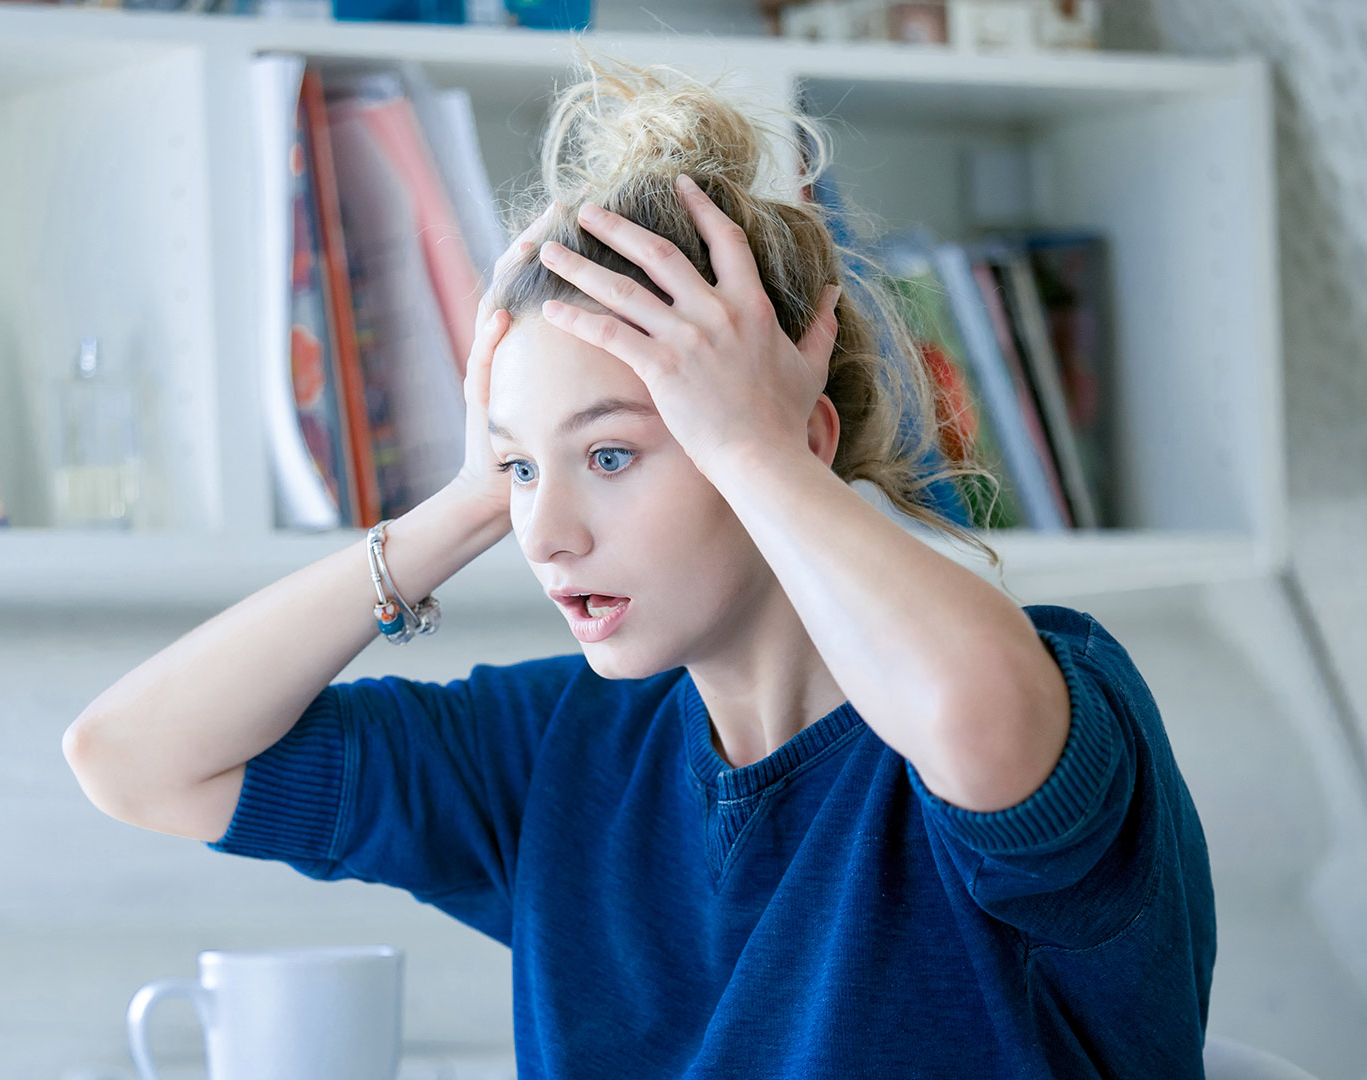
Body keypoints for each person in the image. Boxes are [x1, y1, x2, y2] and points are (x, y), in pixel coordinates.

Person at [63, 44, 1215, 1079]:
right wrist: (468, 500)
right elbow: (135, 758)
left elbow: (972, 726)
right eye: (525, 475)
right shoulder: (562, 752)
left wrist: (755, 453)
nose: (546, 536)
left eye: (614, 454)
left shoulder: (1053, 690)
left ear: (790, 439)